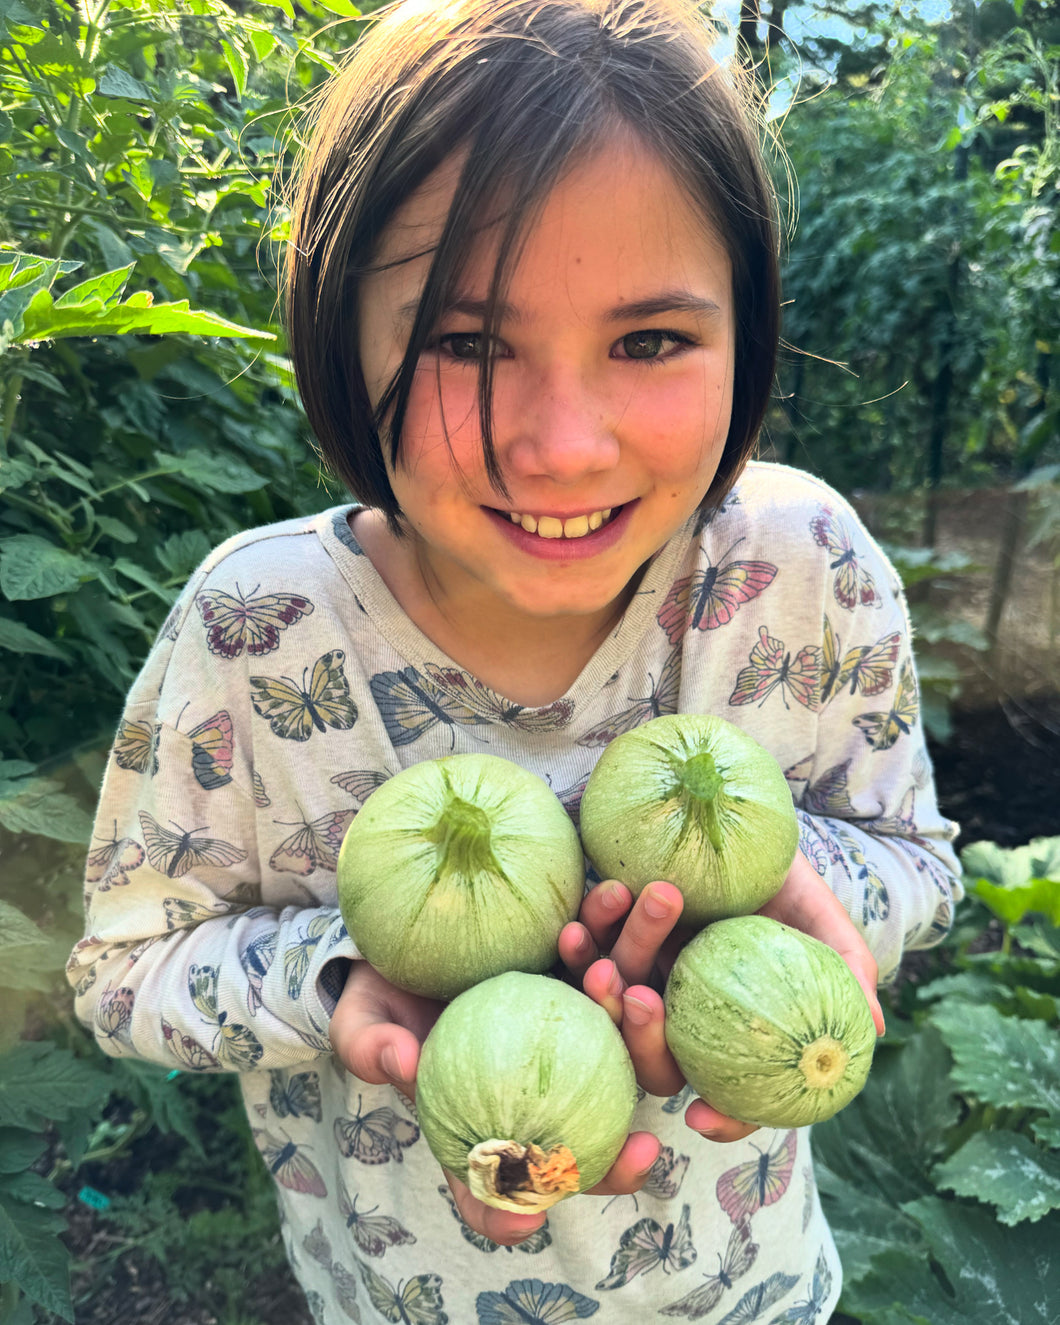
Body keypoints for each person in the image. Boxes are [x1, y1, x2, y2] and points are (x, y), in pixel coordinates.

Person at [69, 0, 962, 1319]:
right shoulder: (260, 633)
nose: (560, 443)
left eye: (650, 340)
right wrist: (344, 975)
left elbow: (919, 860)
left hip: (750, 1292)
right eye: (469, 344)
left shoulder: (801, 571)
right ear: (340, 329)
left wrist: (784, 887)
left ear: (748, 329)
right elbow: (123, 970)